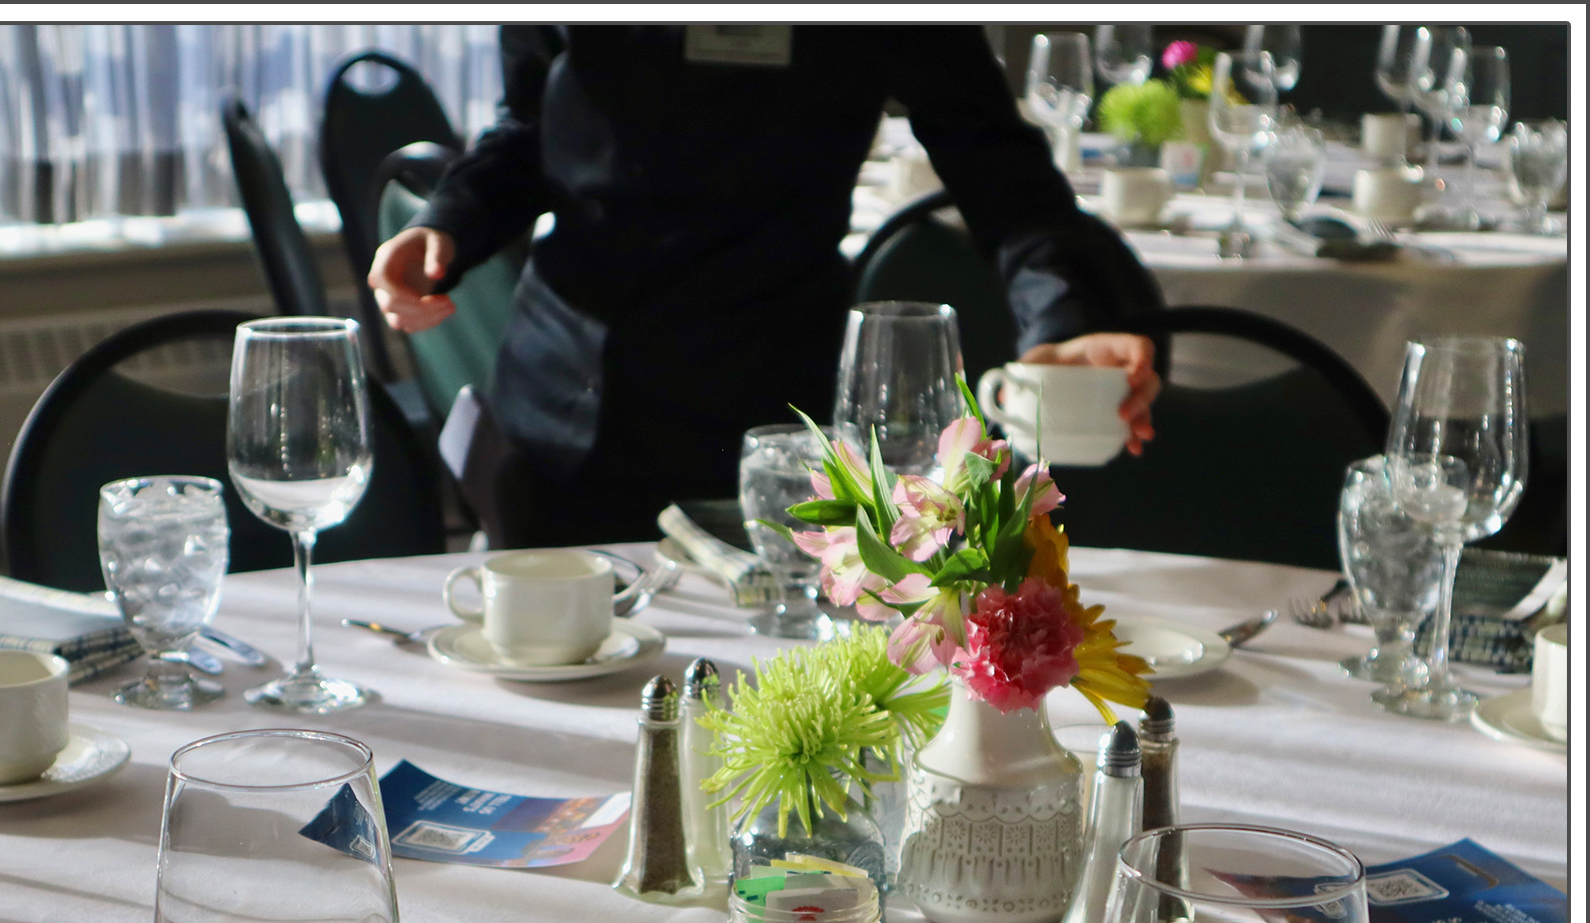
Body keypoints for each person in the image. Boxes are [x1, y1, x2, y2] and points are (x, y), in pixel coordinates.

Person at [370, 24, 1163, 547]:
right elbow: (529, 123)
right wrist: (453, 220)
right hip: (565, 413)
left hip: (769, 428)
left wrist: (1059, 319)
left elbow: (1004, 172)